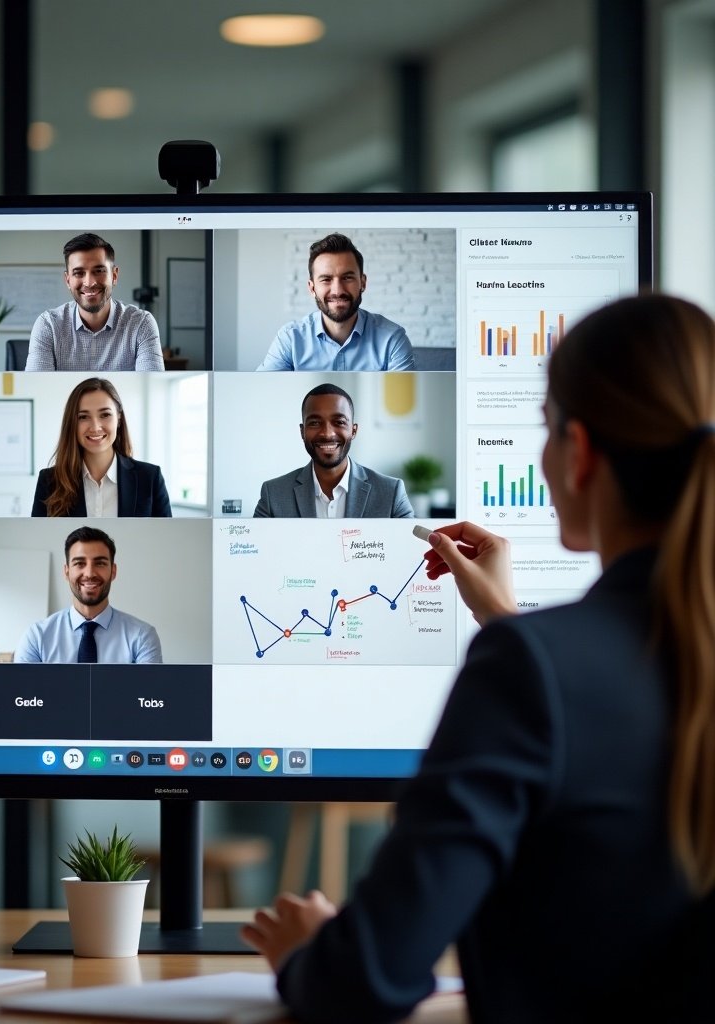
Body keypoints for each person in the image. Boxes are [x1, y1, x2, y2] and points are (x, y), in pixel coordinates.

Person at [242, 294, 715, 1023]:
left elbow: (365, 981)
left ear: (580, 454)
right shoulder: (566, 661)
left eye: (545, 429)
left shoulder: (527, 670)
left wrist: (312, 951)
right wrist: (506, 621)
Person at [257, 233, 415, 372]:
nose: (338, 290)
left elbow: (403, 404)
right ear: (312, 288)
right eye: (326, 279)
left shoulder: (392, 339)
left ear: (363, 283)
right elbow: (265, 395)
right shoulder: (290, 339)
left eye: (347, 278)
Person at [253, 383, 413, 518]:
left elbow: (411, 551)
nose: (327, 433)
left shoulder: (392, 493)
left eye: (339, 422)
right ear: (302, 431)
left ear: (354, 430)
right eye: (315, 423)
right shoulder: (273, 494)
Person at [13, 526, 162, 663]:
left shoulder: (142, 636)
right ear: (66, 571)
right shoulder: (37, 637)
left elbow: (148, 691)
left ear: (113, 571)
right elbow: (25, 691)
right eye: (79, 563)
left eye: (100, 563)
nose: (90, 573)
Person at [31, 377, 171, 517]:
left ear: (119, 418)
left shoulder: (150, 477)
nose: (95, 427)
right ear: (72, 423)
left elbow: (166, 537)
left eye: (105, 415)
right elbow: (39, 537)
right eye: (83, 417)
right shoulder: (49, 480)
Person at [24, 233, 165, 371]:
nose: (90, 283)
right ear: (68, 280)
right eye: (78, 273)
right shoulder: (48, 325)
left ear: (114, 276)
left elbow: (152, 389)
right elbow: (39, 390)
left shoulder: (141, 323)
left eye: (99, 271)